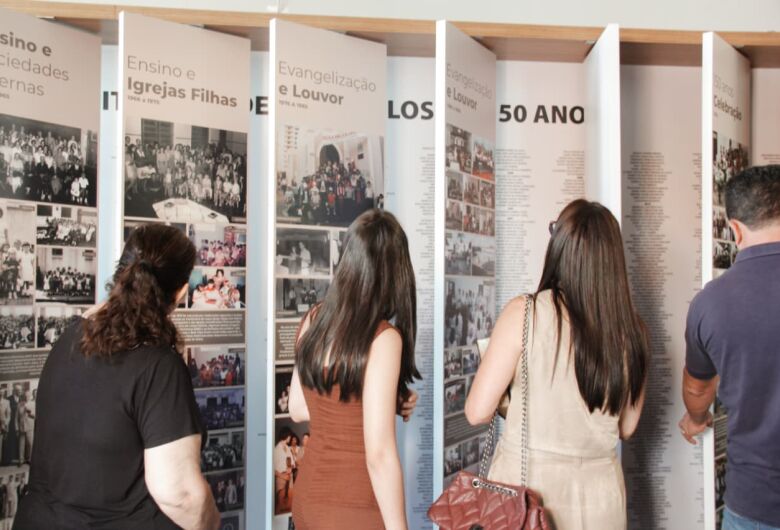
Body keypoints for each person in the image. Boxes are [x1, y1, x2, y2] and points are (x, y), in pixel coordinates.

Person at [13, 225, 220, 530]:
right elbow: (179, 494)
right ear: (181, 292)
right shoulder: (158, 365)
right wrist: (211, 521)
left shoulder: (69, 338)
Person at [465, 199, 648, 530]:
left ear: (560, 246)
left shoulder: (526, 313)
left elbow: (477, 411)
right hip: (602, 499)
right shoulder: (632, 330)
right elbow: (627, 427)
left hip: (529, 496)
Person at [288, 209, 420, 530]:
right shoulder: (384, 337)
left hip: (306, 506)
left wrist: (385, 401)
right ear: (395, 271)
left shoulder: (314, 318)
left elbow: (298, 407)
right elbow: (379, 455)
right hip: (355, 511)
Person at [679, 165, 780, 530]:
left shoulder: (712, 303)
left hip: (756, 500)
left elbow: (698, 387)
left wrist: (696, 418)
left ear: (735, 229)